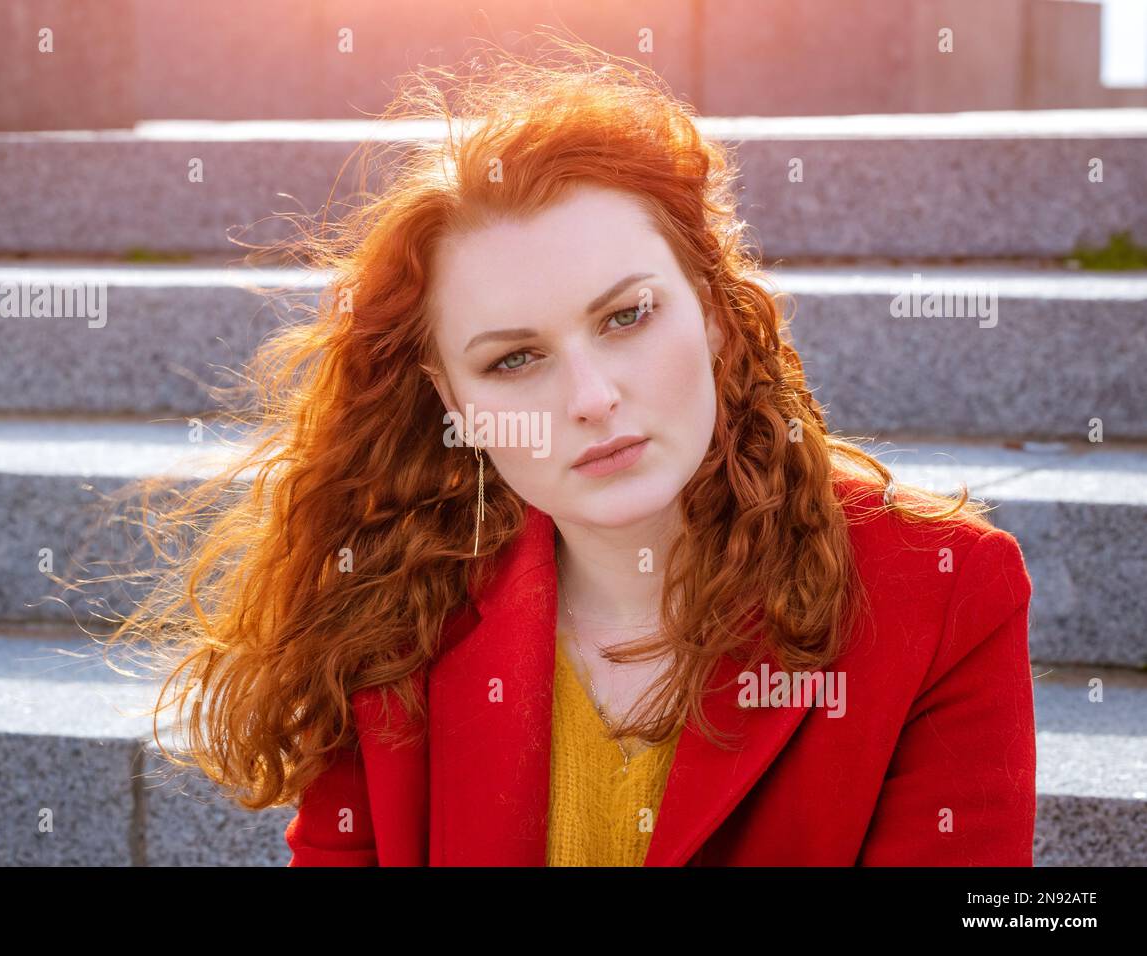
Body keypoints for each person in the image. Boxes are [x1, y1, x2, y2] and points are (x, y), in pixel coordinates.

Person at [95, 36, 1036, 867]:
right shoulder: (386, 613)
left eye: (627, 316)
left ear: (712, 309)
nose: (591, 400)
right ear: (451, 401)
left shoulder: (944, 591)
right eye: (514, 360)